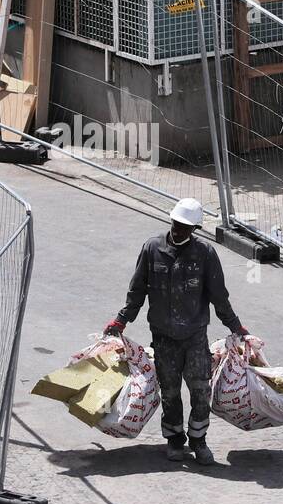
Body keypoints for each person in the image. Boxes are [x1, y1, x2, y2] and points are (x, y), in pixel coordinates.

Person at [104, 198, 248, 465]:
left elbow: (219, 297)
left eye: (185, 227)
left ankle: (198, 440)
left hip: (194, 337)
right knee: (169, 392)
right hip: (163, 337)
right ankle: (174, 439)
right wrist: (120, 321)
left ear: (194, 229)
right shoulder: (152, 249)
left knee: (200, 390)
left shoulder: (205, 254)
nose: (179, 230)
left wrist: (236, 328)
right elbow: (137, 292)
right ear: (171, 221)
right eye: (176, 224)